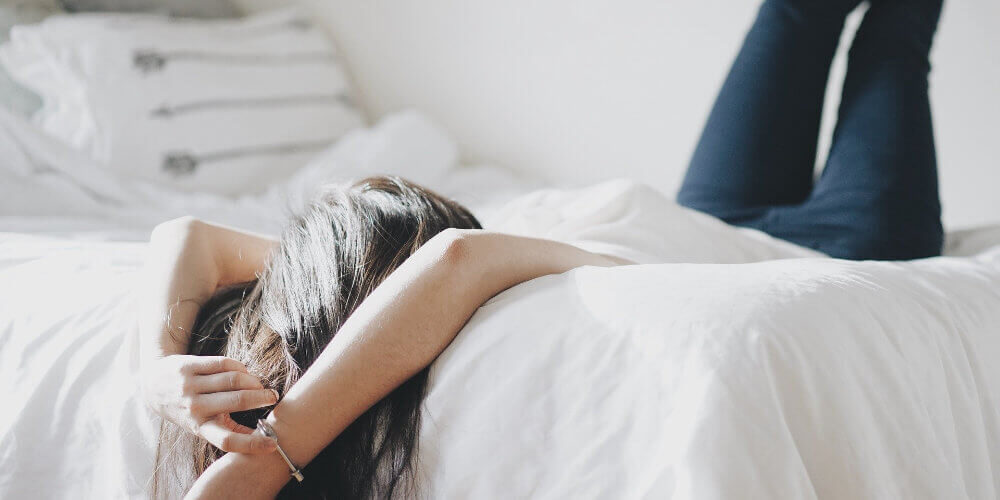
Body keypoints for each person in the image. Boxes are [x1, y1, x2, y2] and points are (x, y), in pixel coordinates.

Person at [141, 0, 946, 497]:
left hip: (707, 209)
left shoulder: (371, 272)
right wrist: (273, 456)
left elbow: (189, 240)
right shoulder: (501, 274)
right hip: (842, 243)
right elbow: (457, 259)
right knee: (895, 37)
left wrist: (158, 364)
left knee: (795, 11)